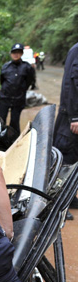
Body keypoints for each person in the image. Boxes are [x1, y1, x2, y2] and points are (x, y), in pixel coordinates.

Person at [53, 43, 78, 209]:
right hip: (71, 115)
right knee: (66, 158)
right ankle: (59, 202)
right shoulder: (77, 50)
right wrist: (74, 116)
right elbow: (71, 85)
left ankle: (70, 196)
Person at [0, 43, 36, 133]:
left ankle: (14, 141)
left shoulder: (27, 67)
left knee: (14, 121)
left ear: (22, 54)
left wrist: (21, 89)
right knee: (1, 120)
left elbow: (29, 81)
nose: (16, 54)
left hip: (18, 98)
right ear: (11, 53)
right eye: (14, 52)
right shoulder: (5, 67)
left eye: (18, 52)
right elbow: (2, 81)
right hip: (4, 98)